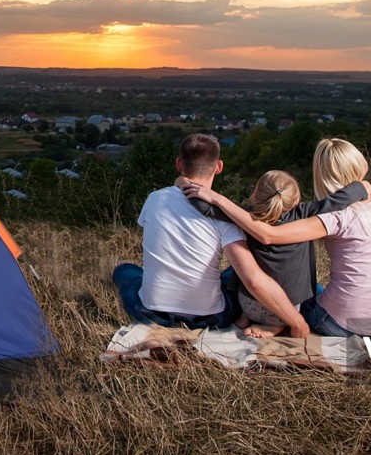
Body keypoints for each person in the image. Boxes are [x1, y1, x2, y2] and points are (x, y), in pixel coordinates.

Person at [112, 133, 309, 336]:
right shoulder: (225, 218)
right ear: (219, 166)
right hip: (208, 318)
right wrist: (297, 323)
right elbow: (252, 280)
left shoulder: (154, 199)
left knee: (124, 271)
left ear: (179, 164)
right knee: (236, 272)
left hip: (151, 313)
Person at [180, 139, 371, 337]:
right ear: (296, 200)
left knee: (234, 271)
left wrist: (186, 184)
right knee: (308, 288)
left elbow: (211, 211)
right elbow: (335, 201)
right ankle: (278, 323)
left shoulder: (246, 215)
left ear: (255, 194)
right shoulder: (306, 212)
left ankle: (246, 316)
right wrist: (362, 186)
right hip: (296, 305)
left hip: (256, 305)